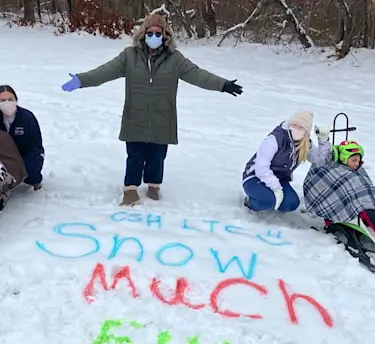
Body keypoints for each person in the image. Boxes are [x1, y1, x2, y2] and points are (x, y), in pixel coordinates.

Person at [60, 12, 243, 206]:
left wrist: (222, 85)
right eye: (150, 32)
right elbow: (105, 71)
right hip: (135, 117)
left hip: (162, 118)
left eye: (158, 33)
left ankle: (153, 187)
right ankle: (130, 190)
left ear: (165, 36)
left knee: (157, 157)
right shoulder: (129, 56)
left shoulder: (175, 59)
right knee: (135, 156)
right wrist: (82, 80)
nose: (154, 37)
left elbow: (197, 74)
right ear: (143, 34)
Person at [241, 110, 327, 212]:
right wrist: (276, 189)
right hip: (255, 177)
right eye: (294, 125)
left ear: (306, 131)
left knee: (291, 204)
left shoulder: (305, 143)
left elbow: (319, 160)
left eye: (301, 128)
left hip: (280, 178)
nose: (296, 129)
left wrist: (323, 140)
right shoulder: (276, 138)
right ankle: (251, 203)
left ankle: (271, 202)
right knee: (269, 200)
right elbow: (261, 167)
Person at [0, 85, 45, 190]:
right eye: (2, 100)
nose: (7, 103)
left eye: (10, 99)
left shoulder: (27, 117)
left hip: (25, 152)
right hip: (2, 154)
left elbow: (36, 144)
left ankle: (35, 181)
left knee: (30, 172)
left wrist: (30, 161)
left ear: (16, 100)